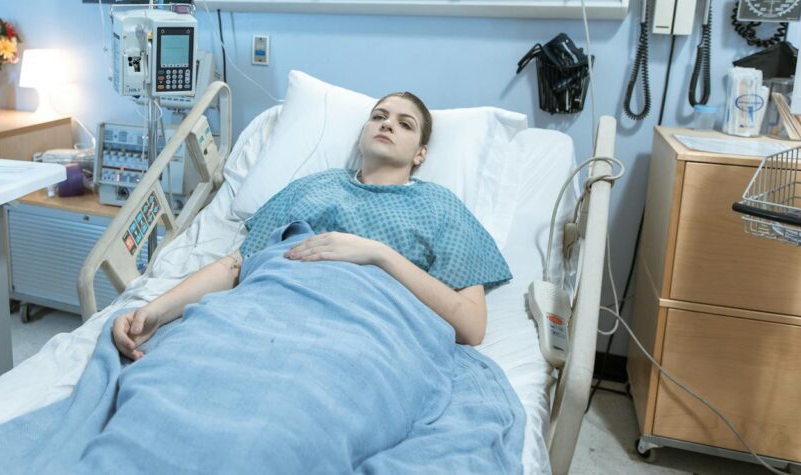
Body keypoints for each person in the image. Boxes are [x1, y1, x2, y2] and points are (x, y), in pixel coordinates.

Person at [113, 92, 512, 360]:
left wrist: (378, 254)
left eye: (405, 124)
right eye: (378, 117)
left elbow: (471, 326)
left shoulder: (440, 207)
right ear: (361, 135)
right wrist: (156, 310)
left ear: (421, 153)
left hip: (361, 341)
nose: (387, 125)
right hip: (264, 318)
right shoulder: (313, 187)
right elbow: (236, 265)